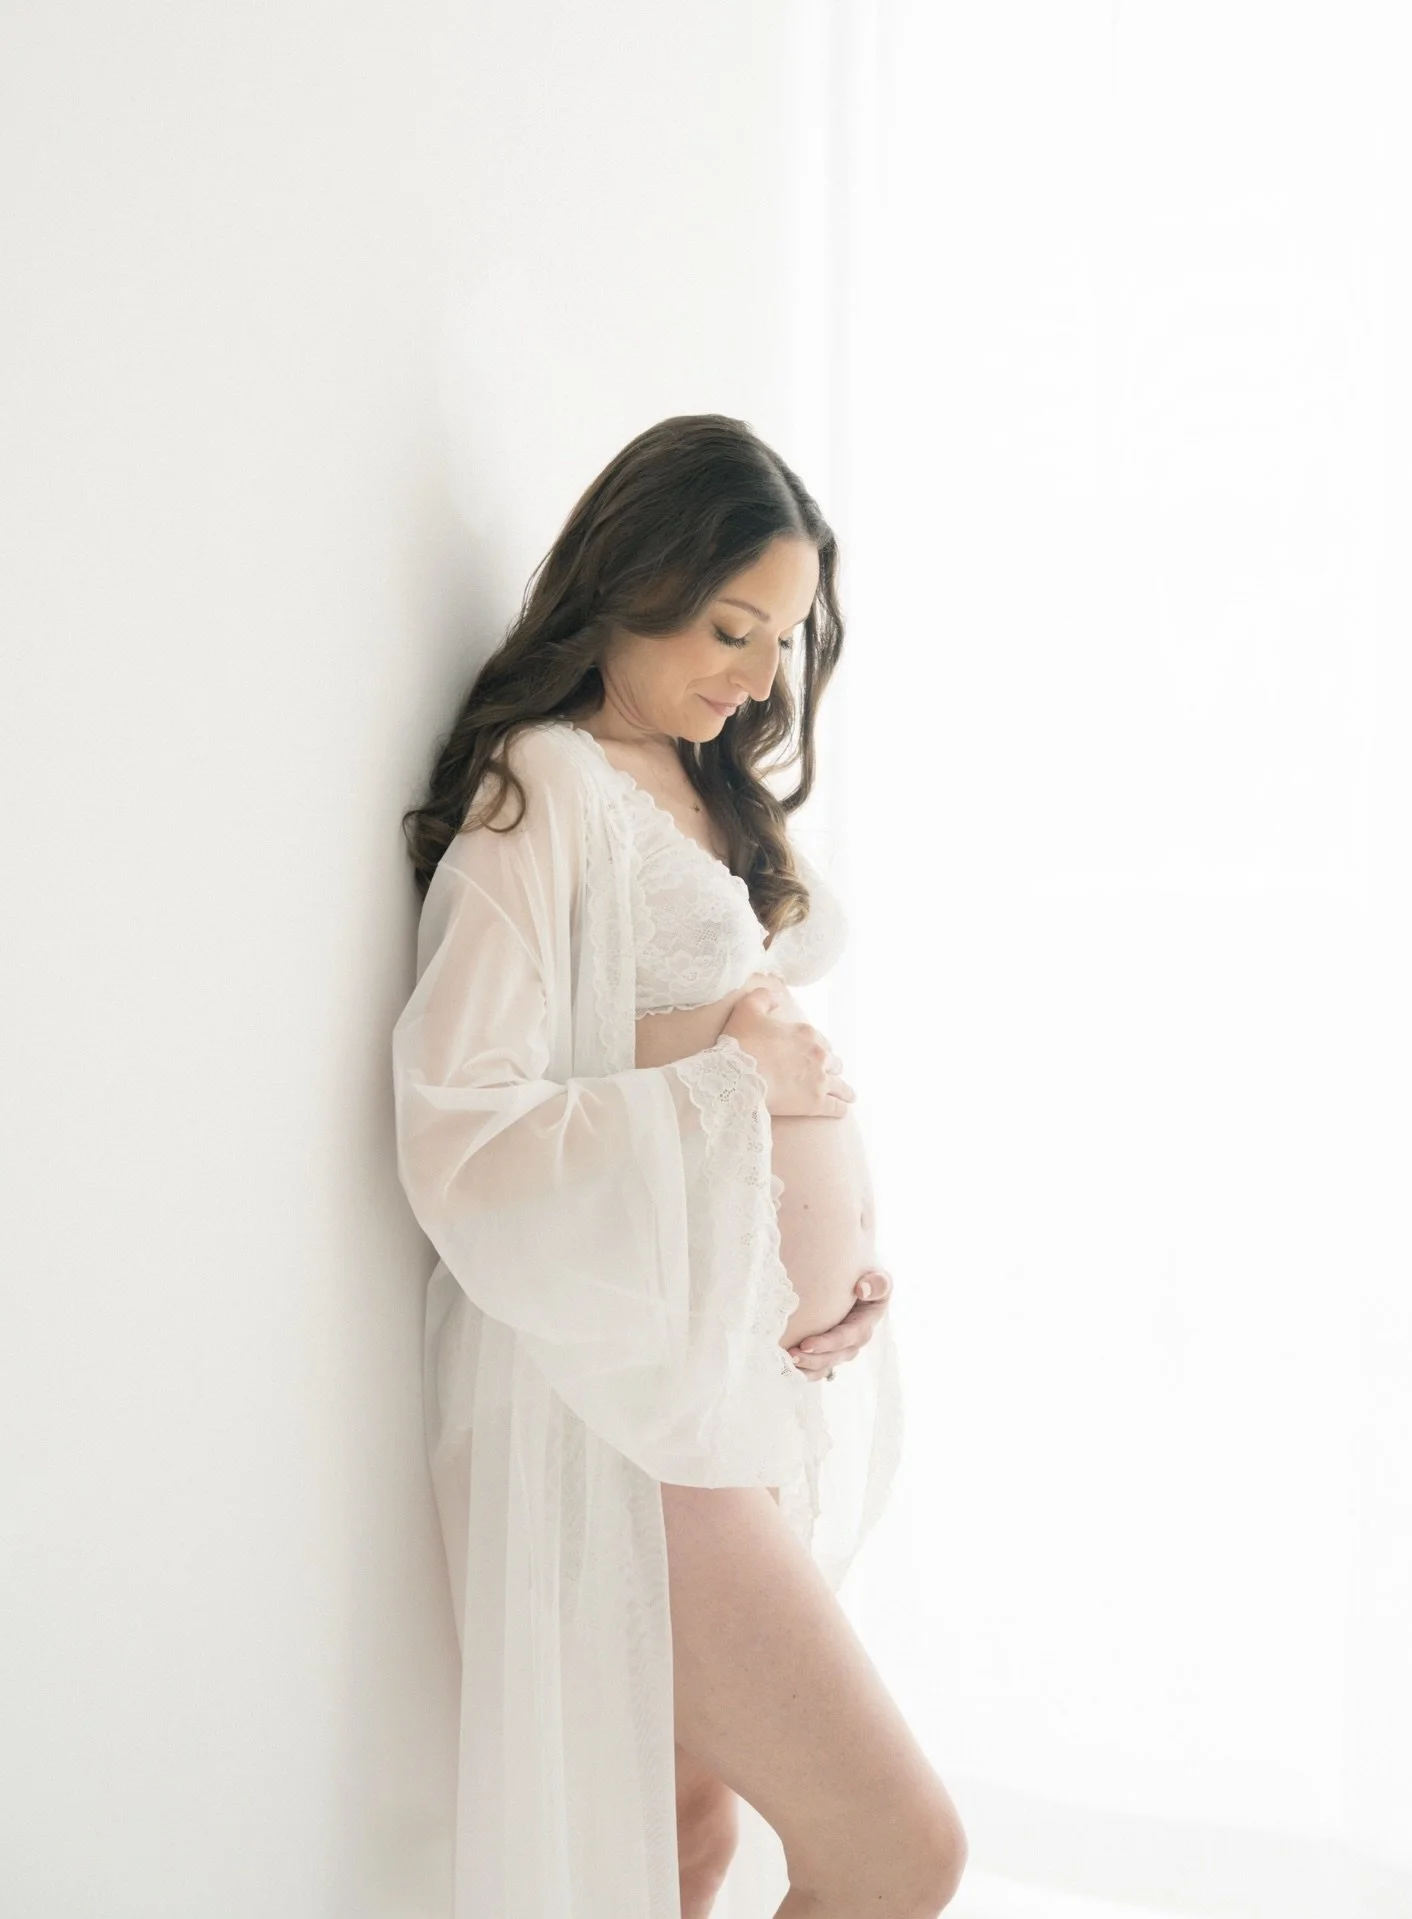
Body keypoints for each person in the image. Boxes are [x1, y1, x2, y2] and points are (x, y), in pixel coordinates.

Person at [392, 414, 966, 1917]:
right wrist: (734, 1083)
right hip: (636, 1416)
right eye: (731, 628)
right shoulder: (546, 791)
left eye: (782, 641)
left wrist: (826, 1284)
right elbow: (463, 1120)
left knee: (687, 1849)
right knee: (903, 1850)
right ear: (631, 577)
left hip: (735, 1379)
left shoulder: (702, 788)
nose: (760, 677)